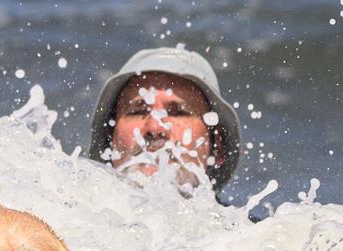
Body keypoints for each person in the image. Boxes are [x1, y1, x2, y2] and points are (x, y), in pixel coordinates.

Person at [88, 46, 242, 193]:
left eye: (178, 113)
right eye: (137, 112)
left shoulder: (248, 221)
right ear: (110, 136)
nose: (155, 128)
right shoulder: (70, 215)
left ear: (218, 147)